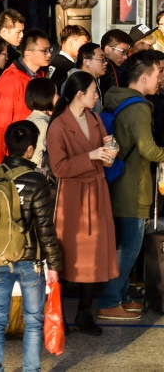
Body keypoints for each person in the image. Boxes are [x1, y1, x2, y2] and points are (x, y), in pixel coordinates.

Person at [0, 121, 63, 372]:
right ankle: (31, 369)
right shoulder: (36, 180)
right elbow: (45, 229)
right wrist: (54, 265)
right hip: (30, 260)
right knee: (33, 320)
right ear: (30, 149)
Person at [46, 70, 118, 335]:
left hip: (96, 191)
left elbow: (104, 152)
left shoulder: (96, 119)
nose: (96, 96)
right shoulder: (58, 126)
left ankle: (85, 312)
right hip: (72, 196)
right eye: (93, 92)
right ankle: (59, 314)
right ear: (79, 94)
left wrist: (109, 153)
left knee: (94, 255)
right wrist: (91, 155)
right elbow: (58, 168)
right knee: (68, 256)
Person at [97, 51, 164, 320]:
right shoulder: (138, 107)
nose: (160, 79)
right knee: (128, 247)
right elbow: (148, 149)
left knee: (124, 245)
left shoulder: (118, 98)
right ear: (145, 76)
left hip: (119, 181)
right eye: (158, 74)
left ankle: (122, 297)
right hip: (132, 186)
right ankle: (110, 300)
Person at [0, 30, 51, 164]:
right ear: (28, 53)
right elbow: (0, 125)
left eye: (49, 50)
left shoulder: (40, 76)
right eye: (44, 51)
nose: (49, 54)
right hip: (18, 156)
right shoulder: (10, 80)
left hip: (37, 149)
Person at [24, 78, 57, 175]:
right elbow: (37, 160)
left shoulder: (32, 118)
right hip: (38, 177)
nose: (59, 97)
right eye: (56, 93)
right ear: (46, 96)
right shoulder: (42, 124)